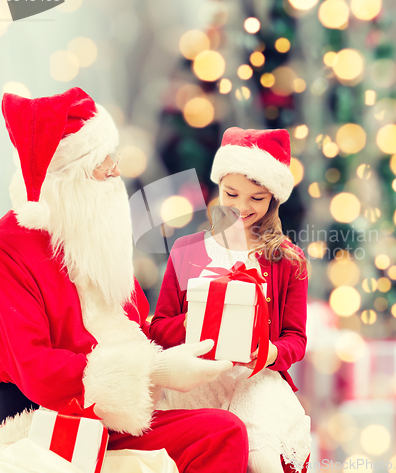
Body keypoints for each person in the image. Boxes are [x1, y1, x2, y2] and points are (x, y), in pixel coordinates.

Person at [0, 88, 248, 473]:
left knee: (230, 422)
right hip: (52, 419)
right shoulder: (10, 249)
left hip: (118, 413)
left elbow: (135, 329)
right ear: (70, 179)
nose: (117, 170)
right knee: (223, 433)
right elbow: (36, 370)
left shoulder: (92, 234)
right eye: (103, 162)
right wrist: (155, 371)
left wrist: (203, 322)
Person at [150, 127, 311, 473]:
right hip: (196, 380)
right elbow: (159, 330)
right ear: (218, 187)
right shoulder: (188, 250)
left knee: (260, 454)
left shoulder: (289, 260)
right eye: (231, 193)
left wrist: (270, 353)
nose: (240, 207)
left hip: (255, 380)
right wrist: (201, 320)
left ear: (274, 199)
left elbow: (296, 339)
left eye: (257, 198)